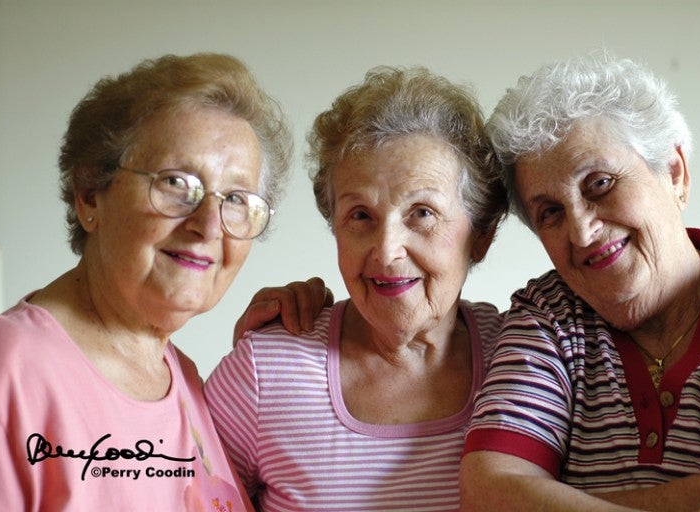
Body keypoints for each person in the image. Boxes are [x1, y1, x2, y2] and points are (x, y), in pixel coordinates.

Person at [459, 51, 700, 511]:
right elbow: (488, 494)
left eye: (599, 184)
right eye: (551, 212)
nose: (581, 230)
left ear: (674, 173)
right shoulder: (546, 315)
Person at [0, 52, 292, 511]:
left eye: (235, 198)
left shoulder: (185, 377)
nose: (210, 225)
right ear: (90, 193)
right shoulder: (9, 371)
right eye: (176, 182)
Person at [204, 65, 509, 511]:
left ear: (481, 234)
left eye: (422, 213)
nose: (386, 252)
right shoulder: (264, 371)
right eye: (361, 215)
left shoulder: (525, 361)